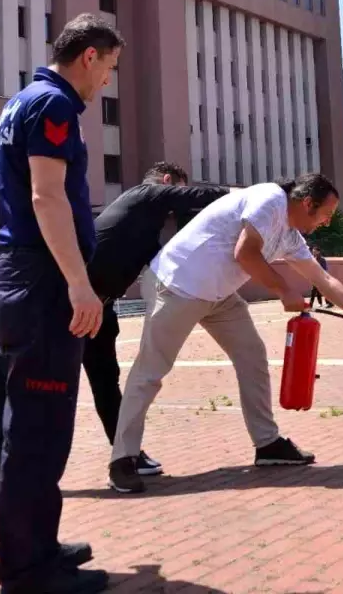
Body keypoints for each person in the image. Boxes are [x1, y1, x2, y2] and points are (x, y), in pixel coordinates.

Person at [107, 174, 343, 494]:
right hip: (179, 285)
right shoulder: (270, 200)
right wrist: (283, 289)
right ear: (307, 203)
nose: (326, 223)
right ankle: (122, 459)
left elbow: (325, 282)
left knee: (252, 356)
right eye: (326, 215)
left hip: (218, 295)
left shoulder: (291, 235)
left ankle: (267, 444)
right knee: (151, 371)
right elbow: (246, 252)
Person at [0, 13, 123, 593]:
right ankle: (29, 571)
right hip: (42, 280)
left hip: (19, 273)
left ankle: (31, 546)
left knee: (18, 422)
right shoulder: (55, 105)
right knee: (39, 427)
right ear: (88, 56)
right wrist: (78, 282)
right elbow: (47, 198)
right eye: (110, 67)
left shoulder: (22, 101)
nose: (108, 82)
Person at [81, 161, 231, 476]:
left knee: (107, 385)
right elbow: (198, 195)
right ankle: (13, 457)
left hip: (102, 310)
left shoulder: (148, 228)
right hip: (71, 306)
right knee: (49, 385)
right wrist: (244, 194)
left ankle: (127, 454)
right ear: (167, 182)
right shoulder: (145, 194)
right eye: (177, 190)